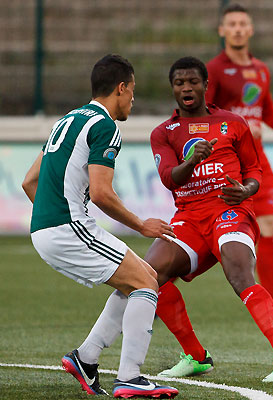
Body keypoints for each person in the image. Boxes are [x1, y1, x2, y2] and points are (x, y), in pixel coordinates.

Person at [21, 54, 178, 398]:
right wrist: (141, 225)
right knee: (146, 284)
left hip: (49, 227)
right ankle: (130, 377)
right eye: (132, 92)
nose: (133, 100)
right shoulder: (105, 125)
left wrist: (50, 219)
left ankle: (87, 358)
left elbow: (30, 182)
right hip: (67, 227)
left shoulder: (69, 119)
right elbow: (104, 194)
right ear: (120, 88)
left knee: (143, 278)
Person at [156, 7, 273, 356]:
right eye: (232, 24)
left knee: (271, 226)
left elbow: (266, 111)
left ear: (251, 29)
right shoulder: (211, 70)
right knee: (244, 231)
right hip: (224, 163)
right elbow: (202, 115)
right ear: (222, 29)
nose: (238, 30)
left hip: (256, 159)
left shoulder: (260, 69)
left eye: (243, 24)